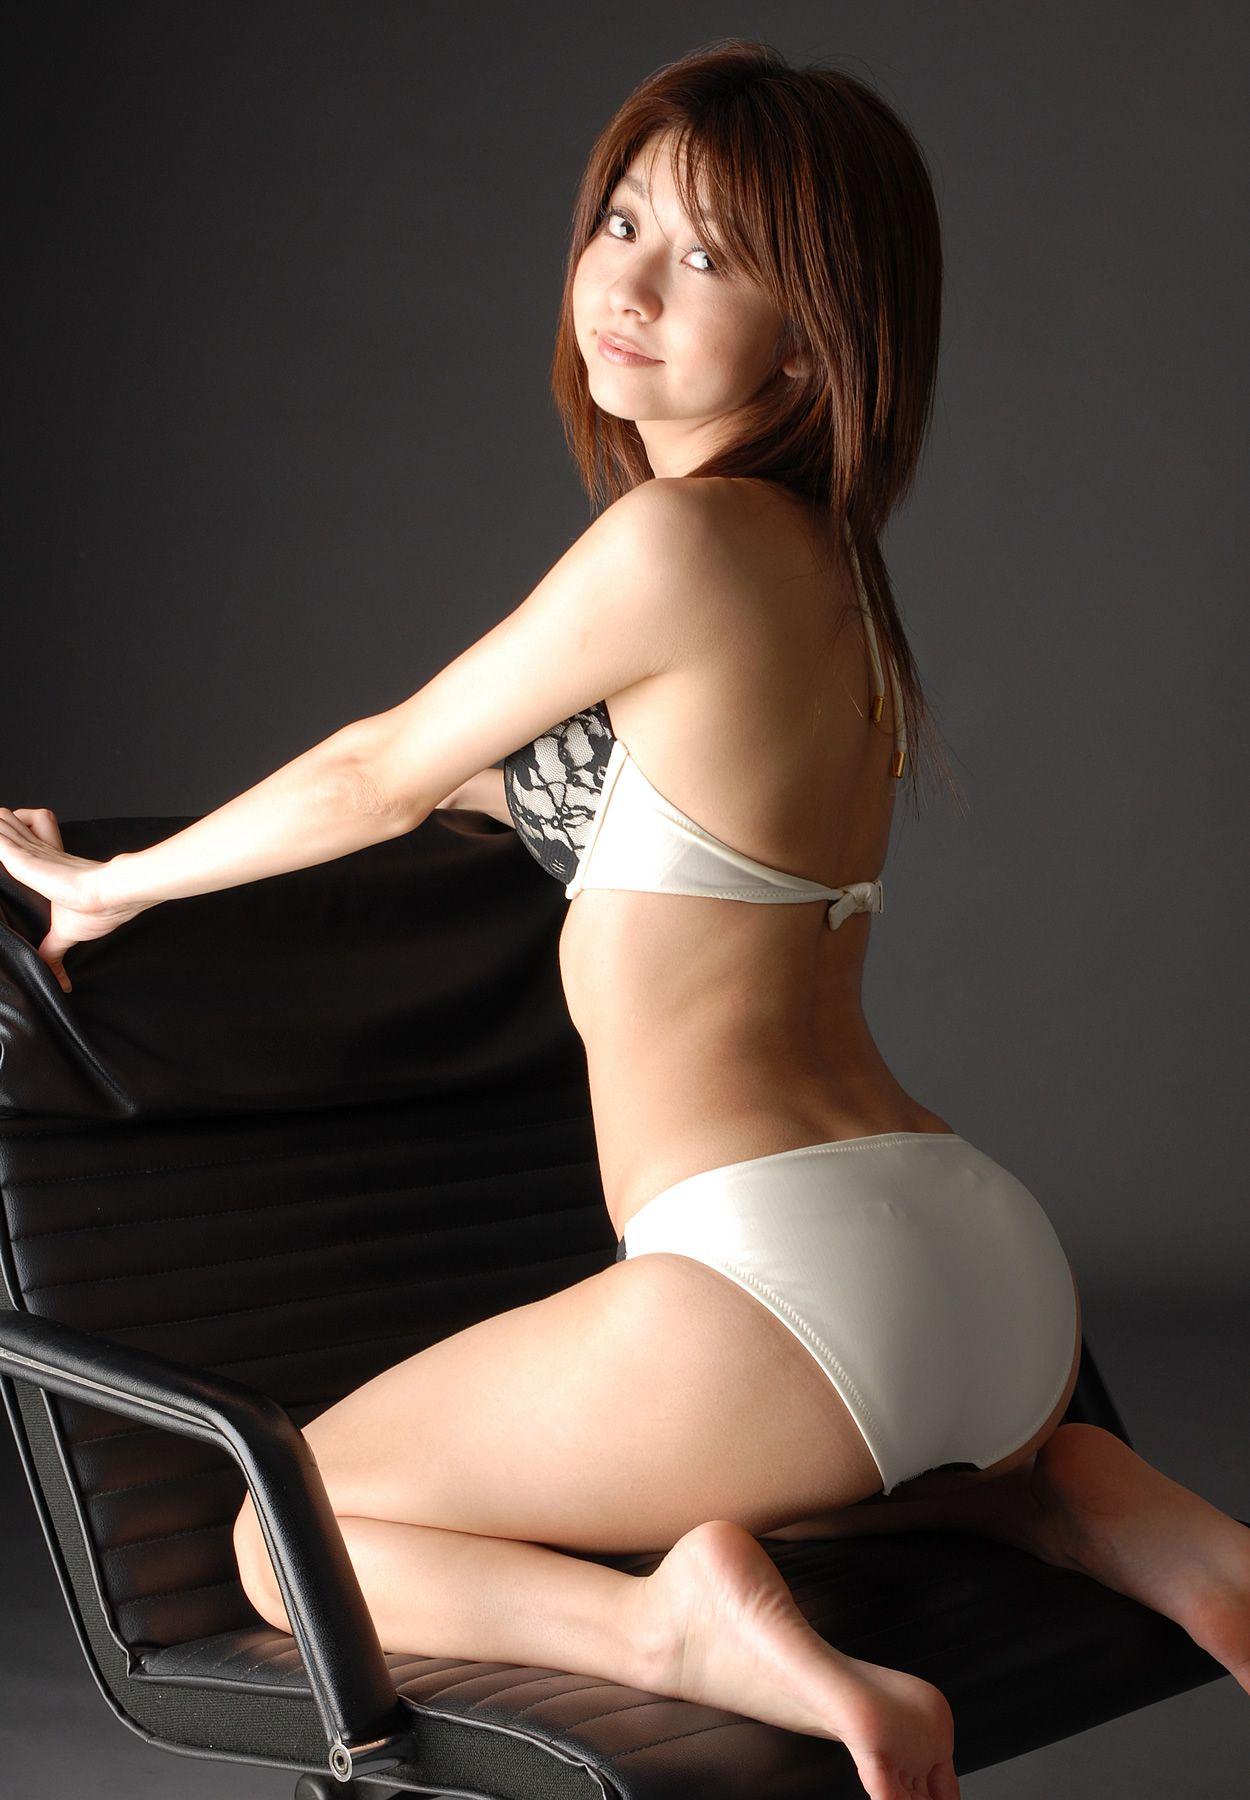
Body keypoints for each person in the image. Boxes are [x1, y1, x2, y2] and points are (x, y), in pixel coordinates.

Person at [1, 38, 1245, 1800]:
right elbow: (512, 783)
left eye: (712, 256)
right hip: (981, 1275)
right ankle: (1071, 1497)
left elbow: (377, 769)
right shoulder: (825, 574)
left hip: (781, 1286)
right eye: (622, 221)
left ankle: (675, 1627)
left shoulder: (674, 546)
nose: (631, 284)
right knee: (852, 1461)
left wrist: (106, 882)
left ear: (811, 335)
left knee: (286, 1538)